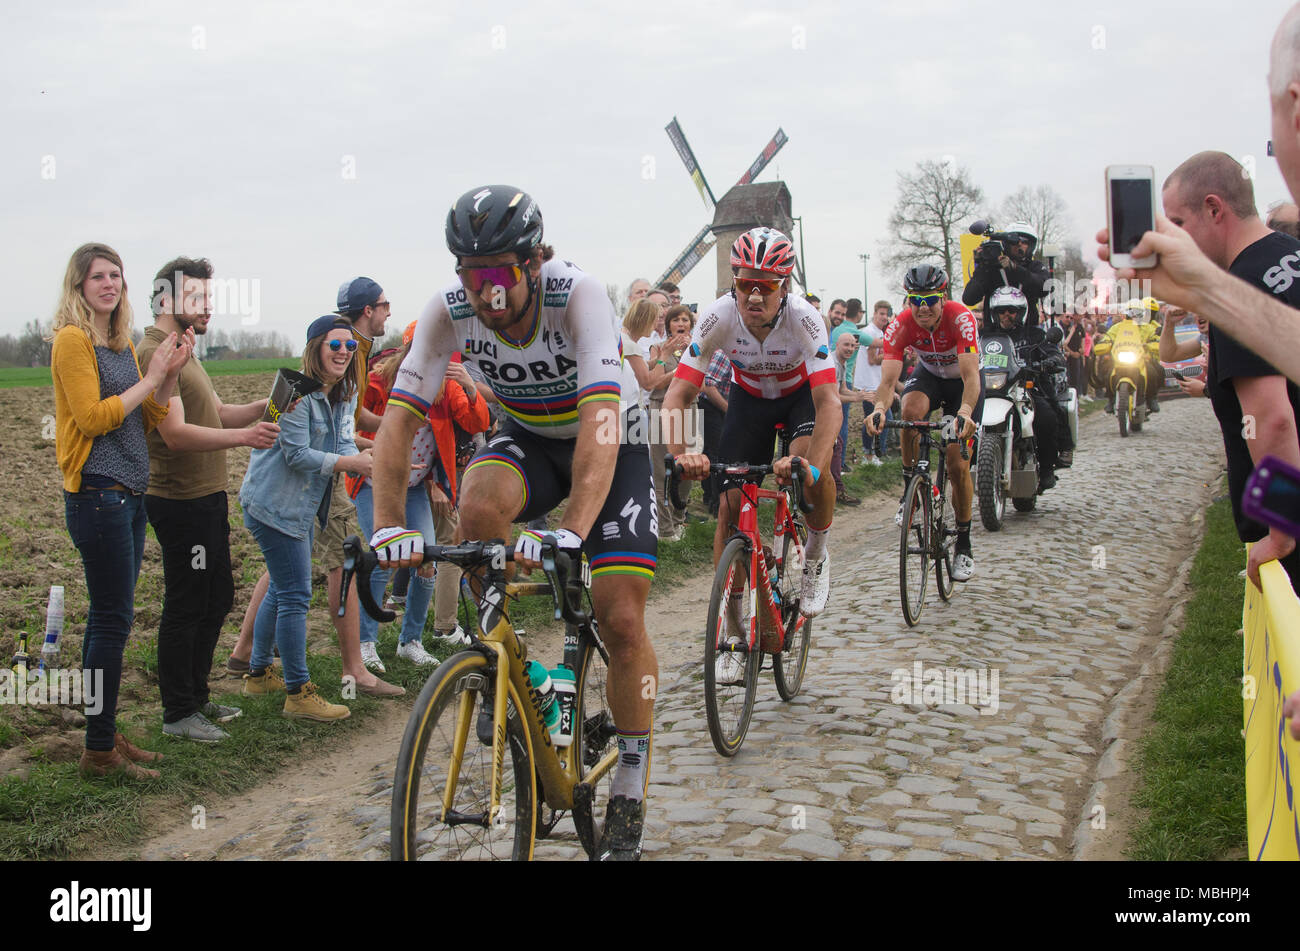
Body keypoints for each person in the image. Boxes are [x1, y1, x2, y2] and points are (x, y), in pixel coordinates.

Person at [371, 185, 659, 861]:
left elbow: (599, 425)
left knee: (618, 615)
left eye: (499, 274)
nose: (486, 293)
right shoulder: (447, 313)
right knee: (477, 506)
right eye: (472, 276)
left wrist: (571, 531)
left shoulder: (577, 295)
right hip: (530, 435)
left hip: (612, 441)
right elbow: (397, 420)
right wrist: (387, 523)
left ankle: (631, 777)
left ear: (534, 262)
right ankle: (508, 663)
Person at [664, 225, 840, 685]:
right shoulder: (718, 316)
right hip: (748, 402)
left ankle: (816, 557)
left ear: (786, 285)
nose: (755, 295)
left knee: (802, 472)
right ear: (734, 282)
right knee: (728, 505)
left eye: (768, 285)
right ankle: (735, 628)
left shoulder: (804, 319)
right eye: (746, 283)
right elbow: (678, 394)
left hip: (799, 397)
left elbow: (829, 405)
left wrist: (812, 465)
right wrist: (681, 455)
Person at [51, 242, 191, 779]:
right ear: (79, 285)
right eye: (98, 277)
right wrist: (151, 379)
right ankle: (99, 752)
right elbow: (91, 418)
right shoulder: (72, 340)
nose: (110, 284)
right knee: (112, 621)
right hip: (97, 493)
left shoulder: (119, 343)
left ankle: (102, 733)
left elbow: (149, 415)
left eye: (116, 276)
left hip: (129, 495)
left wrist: (168, 373)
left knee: (107, 621)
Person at [139, 256, 279, 743]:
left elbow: (217, 413)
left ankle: (196, 698)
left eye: (207, 297)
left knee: (216, 596)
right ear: (165, 300)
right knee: (187, 601)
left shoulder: (185, 348)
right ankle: (178, 713)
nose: (207, 306)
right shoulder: (154, 351)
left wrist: (268, 405)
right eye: (195, 297)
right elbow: (174, 435)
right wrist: (246, 440)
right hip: (179, 498)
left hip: (207, 495)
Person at [1159, 150, 1300, 594]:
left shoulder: (1239, 290)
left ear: (1214, 209)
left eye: (1178, 224)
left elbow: (1272, 418)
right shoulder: (1292, 254)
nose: (1175, 240)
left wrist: (1281, 528)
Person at [239, 316, 376, 721]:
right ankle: (299, 693)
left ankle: (259, 673)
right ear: (316, 346)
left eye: (350, 347)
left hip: (299, 506)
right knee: (296, 594)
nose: (343, 353)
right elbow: (296, 455)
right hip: (275, 505)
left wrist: (372, 455)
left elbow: (345, 440)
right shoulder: (295, 391)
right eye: (335, 345)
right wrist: (350, 462)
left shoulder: (344, 393)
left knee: (283, 590)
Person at [349, 323, 488, 665]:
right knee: (386, 555)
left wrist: (470, 387)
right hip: (376, 483)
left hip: (414, 488)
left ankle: (409, 641)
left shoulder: (444, 385)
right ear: (407, 351)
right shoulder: (381, 380)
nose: (432, 361)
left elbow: (476, 423)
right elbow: (350, 422)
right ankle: (365, 644)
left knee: (426, 560)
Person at [865, 264, 981, 581]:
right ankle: (909, 492)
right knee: (910, 412)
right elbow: (888, 382)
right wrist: (878, 407)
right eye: (915, 300)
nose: (923, 307)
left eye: (930, 299)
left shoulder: (961, 318)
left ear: (942, 298)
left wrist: (967, 411)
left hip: (961, 388)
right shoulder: (900, 325)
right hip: (930, 377)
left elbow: (972, 376)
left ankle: (965, 544)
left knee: (957, 465)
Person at [985, 287, 1068, 491]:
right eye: (1002, 311)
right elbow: (969, 353)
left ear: (1020, 312)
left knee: (1047, 417)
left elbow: (1054, 353)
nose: (1006, 315)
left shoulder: (1035, 335)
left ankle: (1047, 468)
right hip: (993, 390)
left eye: (1011, 310)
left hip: (1025, 389)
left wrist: (1048, 362)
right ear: (994, 313)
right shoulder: (985, 336)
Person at [645, 305, 695, 541]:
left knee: (689, 469)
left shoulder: (696, 349)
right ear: (668, 325)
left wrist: (690, 358)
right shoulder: (658, 348)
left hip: (690, 410)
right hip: (660, 409)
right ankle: (664, 530)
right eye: (676, 319)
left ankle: (678, 520)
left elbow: (701, 384)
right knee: (661, 469)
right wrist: (680, 370)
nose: (681, 323)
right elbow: (654, 383)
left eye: (685, 319)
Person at [963, 221, 1050, 326]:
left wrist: (1014, 268)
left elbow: (1045, 287)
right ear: (1006, 244)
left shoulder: (1035, 266)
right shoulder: (992, 268)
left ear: (1031, 246)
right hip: (994, 336)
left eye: (1024, 241)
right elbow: (969, 299)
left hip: (1029, 334)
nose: (1019, 244)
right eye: (1014, 241)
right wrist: (982, 266)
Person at [832, 331, 863, 505]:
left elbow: (843, 389)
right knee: (836, 445)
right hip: (819, 411)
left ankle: (834, 489)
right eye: (846, 345)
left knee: (836, 446)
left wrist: (861, 395)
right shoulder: (832, 363)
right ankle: (836, 490)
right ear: (837, 345)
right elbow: (833, 395)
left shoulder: (842, 363)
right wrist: (856, 398)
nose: (850, 349)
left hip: (828, 410)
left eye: (852, 346)